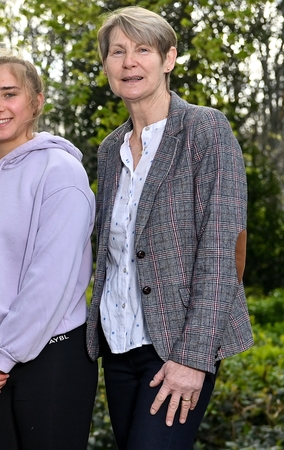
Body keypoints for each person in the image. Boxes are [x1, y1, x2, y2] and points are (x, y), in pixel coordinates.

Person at [85, 6, 254, 449]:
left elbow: (222, 252)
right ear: (106, 65)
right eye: (117, 51)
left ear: (169, 59)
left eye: (143, 50)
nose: (129, 62)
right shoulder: (109, 150)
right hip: (119, 347)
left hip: (177, 346)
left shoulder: (205, 130)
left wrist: (193, 359)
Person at [0, 53, 98, 450]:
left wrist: (2, 356)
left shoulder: (61, 173)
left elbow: (51, 281)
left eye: (9, 94)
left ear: (36, 101)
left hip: (52, 361)